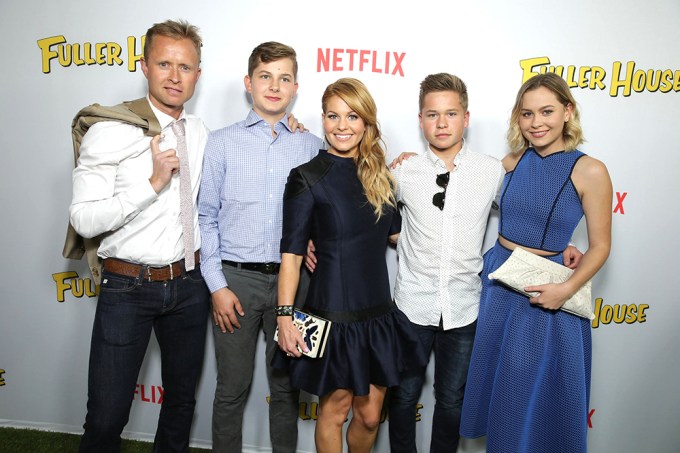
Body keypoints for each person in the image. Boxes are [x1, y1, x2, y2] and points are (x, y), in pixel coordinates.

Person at [69, 19, 209, 452]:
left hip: (189, 285)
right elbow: (84, 220)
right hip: (127, 287)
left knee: (181, 403)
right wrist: (152, 183)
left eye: (184, 67)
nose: (174, 75)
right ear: (144, 65)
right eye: (164, 63)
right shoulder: (110, 130)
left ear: (197, 75)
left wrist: (291, 126)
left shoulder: (200, 133)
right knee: (108, 414)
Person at [460, 72, 612, 452]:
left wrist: (565, 289)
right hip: (497, 282)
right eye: (527, 114)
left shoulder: (589, 169)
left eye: (546, 111)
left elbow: (600, 246)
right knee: (498, 389)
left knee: (527, 398)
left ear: (568, 111)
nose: (536, 122)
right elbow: (457, 179)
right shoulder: (512, 161)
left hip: (543, 293)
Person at [275, 78, 427, 452]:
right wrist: (284, 315)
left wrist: (415, 170)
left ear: (366, 123)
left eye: (352, 116)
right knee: (335, 410)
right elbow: (292, 257)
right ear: (323, 120)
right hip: (332, 315)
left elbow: (396, 236)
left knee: (371, 416)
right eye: (333, 116)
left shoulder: (382, 178)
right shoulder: (307, 177)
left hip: (378, 314)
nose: (342, 126)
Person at [197, 42, 322, 452]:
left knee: (286, 388)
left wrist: (314, 238)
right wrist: (216, 285)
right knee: (231, 388)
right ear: (249, 83)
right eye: (265, 76)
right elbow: (205, 217)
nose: (274, 85)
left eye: (284, 78)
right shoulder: (221, 142)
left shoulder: (311, 145)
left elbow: (330, 206)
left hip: (294, 282)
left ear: (295, 87)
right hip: (235, 281)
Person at [386, 73, 505, 453]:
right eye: (432, 114)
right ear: (420, 119)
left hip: (464, 307)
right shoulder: (402, 171)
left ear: (465, 118)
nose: (441, 123)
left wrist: (564, 242)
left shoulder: (492, 171)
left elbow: (525, 215)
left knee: (451, 401)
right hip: (411, 305)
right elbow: (370, 220)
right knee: (403, 398)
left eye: (450, 114)